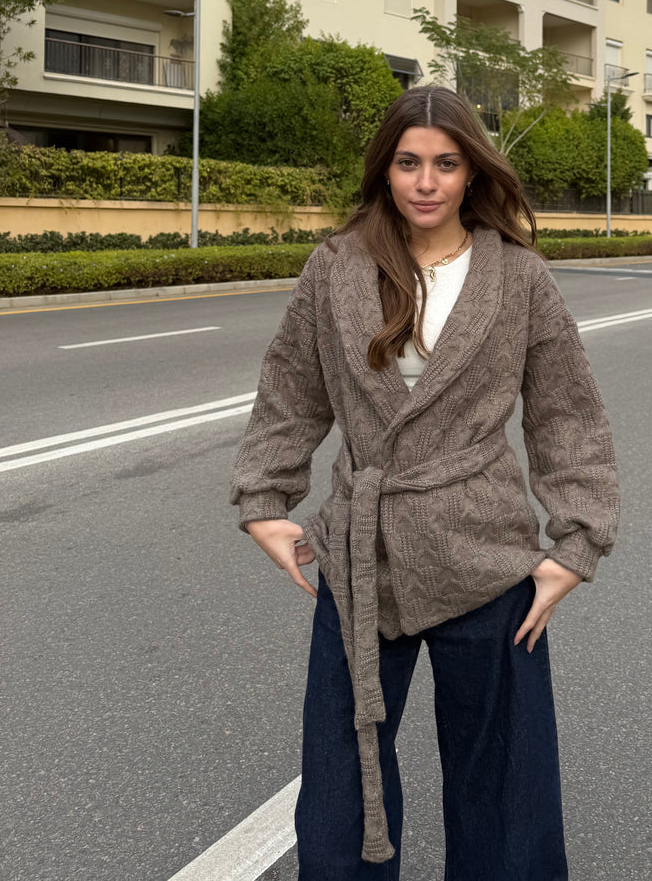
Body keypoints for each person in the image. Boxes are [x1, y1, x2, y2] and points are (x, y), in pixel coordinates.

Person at [230, 85, 619, 880]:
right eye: (409, 162)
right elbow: (291, 388)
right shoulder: (335, 268)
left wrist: (575, 542)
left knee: (505, 790)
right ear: (386, 168)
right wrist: (263, 500)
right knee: (340, 789)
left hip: (487, 559)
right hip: (362, 556)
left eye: (446, 163)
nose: (427, 180)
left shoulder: (518, 276)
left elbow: (566, 413)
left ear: (473, 174)